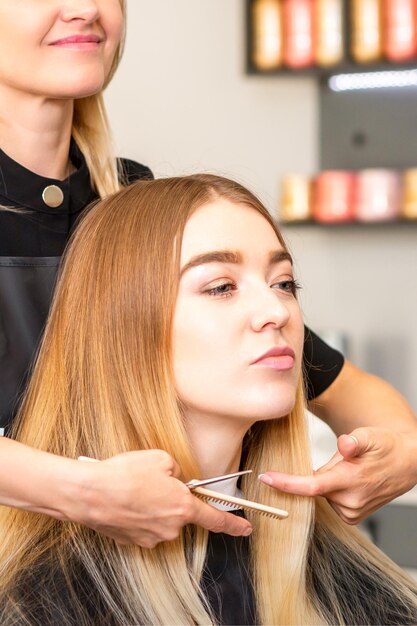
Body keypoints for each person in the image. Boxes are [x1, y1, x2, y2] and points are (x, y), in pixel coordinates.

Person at [0, 0, 415, 546]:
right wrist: (81, 491)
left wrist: (403, 449)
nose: (84, 9)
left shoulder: (134, 205)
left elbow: (347, 391)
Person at [1, 174, 416, 626]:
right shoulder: (42, 601)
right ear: (122, 328)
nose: (277, 312)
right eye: (221, 287)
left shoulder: (336, 574)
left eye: (284, 283)